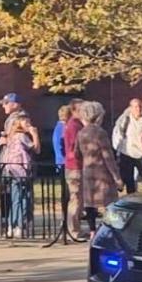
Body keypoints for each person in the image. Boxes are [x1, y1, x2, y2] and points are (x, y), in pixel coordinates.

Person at [76, 101, 122, 238]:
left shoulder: (81, 132)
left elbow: (76, 153)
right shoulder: (100, 132)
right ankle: (113, 229)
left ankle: (92, 231)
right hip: (102, 173)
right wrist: (117, 177)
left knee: (89, 203)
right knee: (110, 203)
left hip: (87, 171)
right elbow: (108, 156)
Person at [112, 98, 142, 194]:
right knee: (129, 180)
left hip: (141, 154)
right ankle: (131, 199)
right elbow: (117, 135)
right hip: (127, 153)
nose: (138, 109)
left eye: (139, 106)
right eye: (135, 107)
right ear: (131, 108)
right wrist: (118, 149)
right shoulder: (125, 120)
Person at [2, 114, 38, 238]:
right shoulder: (22, 136)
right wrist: (35, 134)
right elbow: (36, 149)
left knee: (15, 199)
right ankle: (19, 226)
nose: (29, 125)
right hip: (22, 171)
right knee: (23, 199)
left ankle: (11, 225)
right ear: (19, 124)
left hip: (11, 169)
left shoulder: (11, 137)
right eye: (26, 123)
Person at [63, 99, 85, 237]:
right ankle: (73, 230)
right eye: (81, 109)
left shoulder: (78, 124)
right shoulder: (74, 126)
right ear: (74, 110)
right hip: (74, 166)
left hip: (78, 165)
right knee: (75, 198)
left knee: (79, 198)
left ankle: (76, 227)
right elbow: (73, 149)